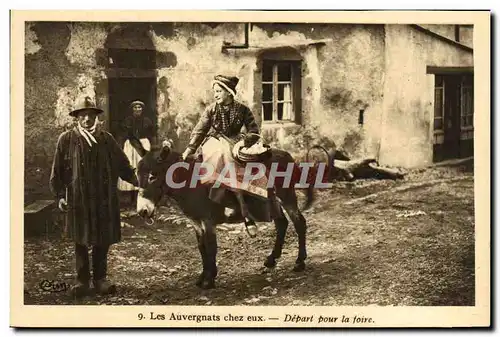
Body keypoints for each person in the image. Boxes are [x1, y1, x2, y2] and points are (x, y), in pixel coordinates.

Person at [50, 96, 139, 298]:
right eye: (83, 116)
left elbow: (123, 164)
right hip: (78, 197)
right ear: (77, 118)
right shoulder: (66, 139)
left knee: (102, 238)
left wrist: (139, 182)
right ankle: (82, 281)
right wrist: (59, 196)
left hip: (103, 197)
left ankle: (100, 279)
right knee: (80, 239)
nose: (88, 119)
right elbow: (58, 171)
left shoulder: (106, 139)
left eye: (91, 115)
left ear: (97, 118)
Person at [182, 75, 271, 237]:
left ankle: (248, 205)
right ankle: (240, 211)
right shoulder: (211, 110)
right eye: (214, 92)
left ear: (229, 93)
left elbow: (253, 131)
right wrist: (190, 148)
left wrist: (244, 142)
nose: (215, 95)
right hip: (214, 141)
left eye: (219, 91)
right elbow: (200, 130)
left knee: (244, 161)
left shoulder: (243, 109)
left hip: (236, 141)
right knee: (222, 155)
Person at [118, 100, 154, 205]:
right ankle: (131, 197)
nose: (138, 109)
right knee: (132, 167)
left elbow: (151, 134)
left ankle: (143, 195)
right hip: (131, 146)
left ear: (142, 109)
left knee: (143, 168)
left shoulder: (147, 121)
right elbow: (124, 134)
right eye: (135, 107)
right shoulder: (127, 121)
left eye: (140, 107)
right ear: (132, 109)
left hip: (144, 144)